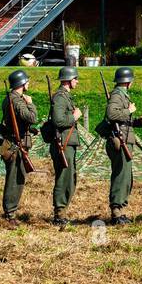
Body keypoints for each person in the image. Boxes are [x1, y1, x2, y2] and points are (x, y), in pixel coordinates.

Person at [103, 66, 142, 224]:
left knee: (125, 176)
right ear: (128, 82)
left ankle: (120, 210)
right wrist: (129, 110)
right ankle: (116, 212)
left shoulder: (122, 95)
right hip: (120, 140)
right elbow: (111, 114)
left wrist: (136, 121)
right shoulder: (117, 95)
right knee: (121, 176)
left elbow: (121, 119)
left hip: (125, 138)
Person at [0, 69, 38, 224]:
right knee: (15, 178)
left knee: (16, 177)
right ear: (22, 83)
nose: (29, 83)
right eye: (27, 81)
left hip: (11, 141)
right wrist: (31, 104)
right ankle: (10, 213)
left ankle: (10, 210)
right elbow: (31, 117)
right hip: (14, 144)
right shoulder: (17, 100)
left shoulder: (10, 98)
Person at [48, 66, 81, 226]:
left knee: (70, 178)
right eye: (75, 78)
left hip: (67, 143)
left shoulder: (65, 96)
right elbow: (58, 120)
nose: (77, 81)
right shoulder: (60, 97)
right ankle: (59, 214)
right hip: (63, 143)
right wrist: (74, 117)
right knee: (63, 178)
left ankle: (62, 212)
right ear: (69, 80)